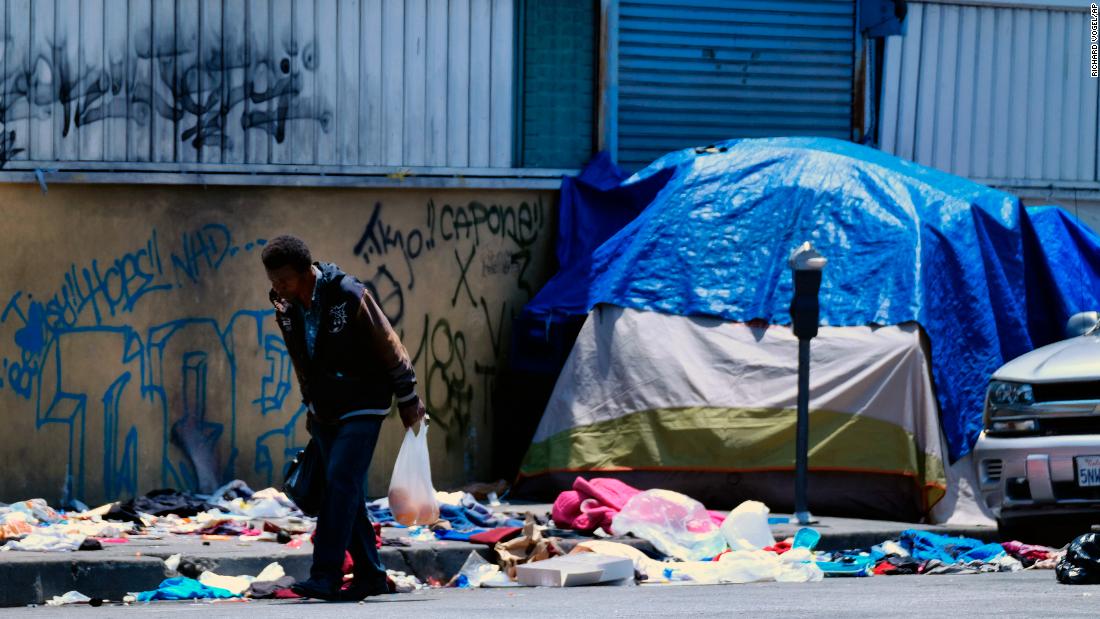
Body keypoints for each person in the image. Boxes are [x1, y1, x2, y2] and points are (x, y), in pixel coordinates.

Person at [261, 235, 425, 601]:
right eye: (273, 282)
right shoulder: (285, 308)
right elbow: (301, 361)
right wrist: (311, 406)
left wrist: (409, 397)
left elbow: (388, 343)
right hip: (325, 409)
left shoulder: (348, 294)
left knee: (340, 481)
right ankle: (370, 575)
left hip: (364, 401)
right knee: (341, 489)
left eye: (284, 280)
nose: (279, 288)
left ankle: (325, 575)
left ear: (306, 272)